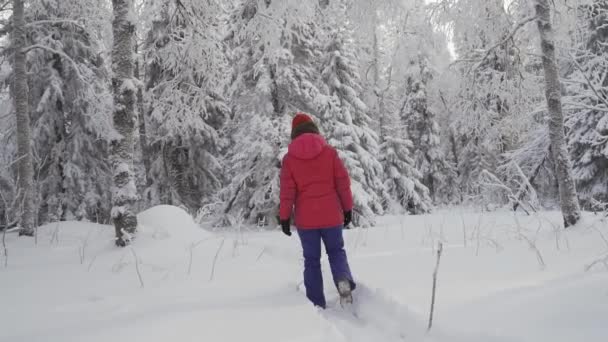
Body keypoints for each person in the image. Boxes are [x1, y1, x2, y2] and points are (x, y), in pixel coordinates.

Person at [279, 112, 356, 309]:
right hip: (331, 216)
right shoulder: (329, 152)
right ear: (313, 128)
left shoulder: (289, 159)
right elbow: (342, 183)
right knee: (336, 251)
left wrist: (285, 217)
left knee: (311, 260)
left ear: (294, 133)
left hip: (307, 220)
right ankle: (343, 279)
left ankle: (315, 303)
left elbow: (287, 192)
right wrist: (347, 208)